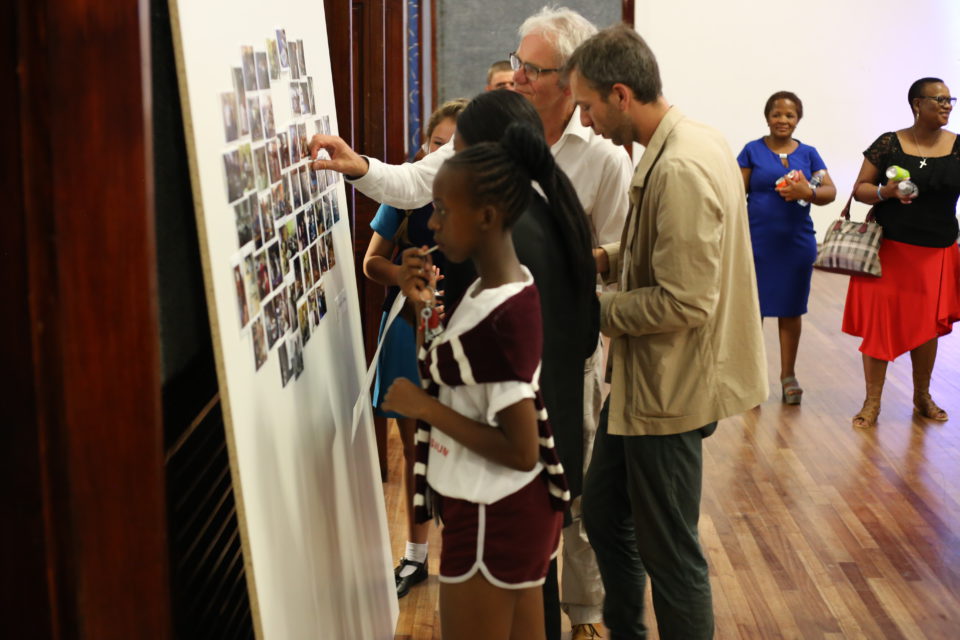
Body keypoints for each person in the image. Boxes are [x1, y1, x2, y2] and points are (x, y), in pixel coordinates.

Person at [309, 9, 632, 637]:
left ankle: (588, 616)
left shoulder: (508, 293)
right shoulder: (516, 225)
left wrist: (426, 406)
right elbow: (408, 185)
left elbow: (514, 436)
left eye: (529, 70)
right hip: (512, 488)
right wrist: (360, 168)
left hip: (500, 497)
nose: (432, 222)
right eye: (514, 64)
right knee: (530, 590)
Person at [565, 25, 767, 639]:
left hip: (671, 390)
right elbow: (666, 242)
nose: (587, 120)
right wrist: (605, 258)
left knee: (672, 556)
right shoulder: (692, 138)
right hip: (645, 389)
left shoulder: (679, 165)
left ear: (620, 94)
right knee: (603, 512)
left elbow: (683, 300)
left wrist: (590, 309)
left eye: (588, 106)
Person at [381, 122, 575, 640]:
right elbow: (460, 369)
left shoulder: (503, 315)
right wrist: (423, 308)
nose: (433, 224)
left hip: (498, 510)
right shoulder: (497, 286)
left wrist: (424, 408)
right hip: (500, 508)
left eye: (442, 210)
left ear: (487, 216)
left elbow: (520, 450)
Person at [362, 99, 466, 598]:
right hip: (406, 324)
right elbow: (370, 262)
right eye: (435, 143)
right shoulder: (403, 191)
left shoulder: (479, 198)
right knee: (414, 445)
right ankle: (416, 555)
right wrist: (401, 274)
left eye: (453, 145)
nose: (441, 154)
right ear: (425, 145)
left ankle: (467, 553)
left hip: (464, 330)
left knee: (465, 443)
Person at [843, 77, 960, 428]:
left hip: (936, 252)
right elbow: (860, 189)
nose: (946, 105)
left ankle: (922, 396)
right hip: (889, 250)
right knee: (880, 327)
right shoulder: (889, 143)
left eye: (949, 99)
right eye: (938, 99)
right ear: (916, 104)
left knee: (926, 328)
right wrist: (886, 193)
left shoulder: (958, 146)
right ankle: (872, 402)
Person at [737, 91, 837, 404]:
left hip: (796, 243)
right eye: (777, 114)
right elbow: (735, 192)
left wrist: (807, 191)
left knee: (791, 310)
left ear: (798, 120)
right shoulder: (752, 151)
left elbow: (829, 191)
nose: (783, 120)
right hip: (757, 241)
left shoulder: (809, 154)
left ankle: (787, 376)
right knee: (754, 311)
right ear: (767, 117)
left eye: (790, 115)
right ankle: (750, 378)